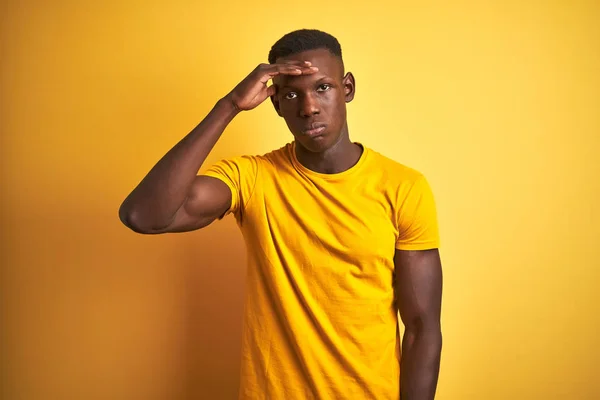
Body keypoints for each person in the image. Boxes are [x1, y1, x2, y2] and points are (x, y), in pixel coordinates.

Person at [119, 29, 443, 400]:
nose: (308, 108)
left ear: (348, 88)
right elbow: (143, 215)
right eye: (292, 94)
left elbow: (421, 327)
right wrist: (229, 106)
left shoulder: (403, 187)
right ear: (275, 104)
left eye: (323, 88)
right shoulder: (252, 178)